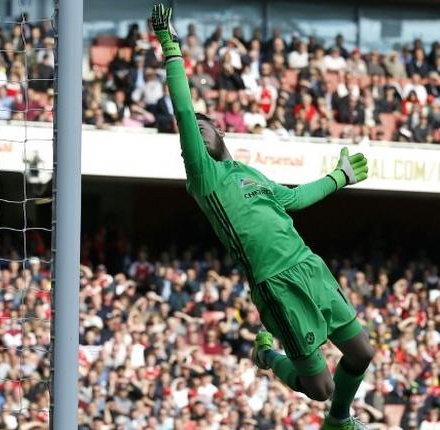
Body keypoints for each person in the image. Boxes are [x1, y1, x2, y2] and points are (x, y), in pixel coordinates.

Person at [151, 4, 375, 430]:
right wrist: (171, 48)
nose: (195, 135)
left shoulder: (248, 174)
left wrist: (337, 177)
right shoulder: (207, 179)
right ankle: (268, 355)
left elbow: (290, 199)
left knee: (362, 352)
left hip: (308, 264)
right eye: (190, 135)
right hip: (277, 284)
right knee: (321, 387)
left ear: (220, 131)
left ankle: (339, 421)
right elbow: (183, 110)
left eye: (203, 128)